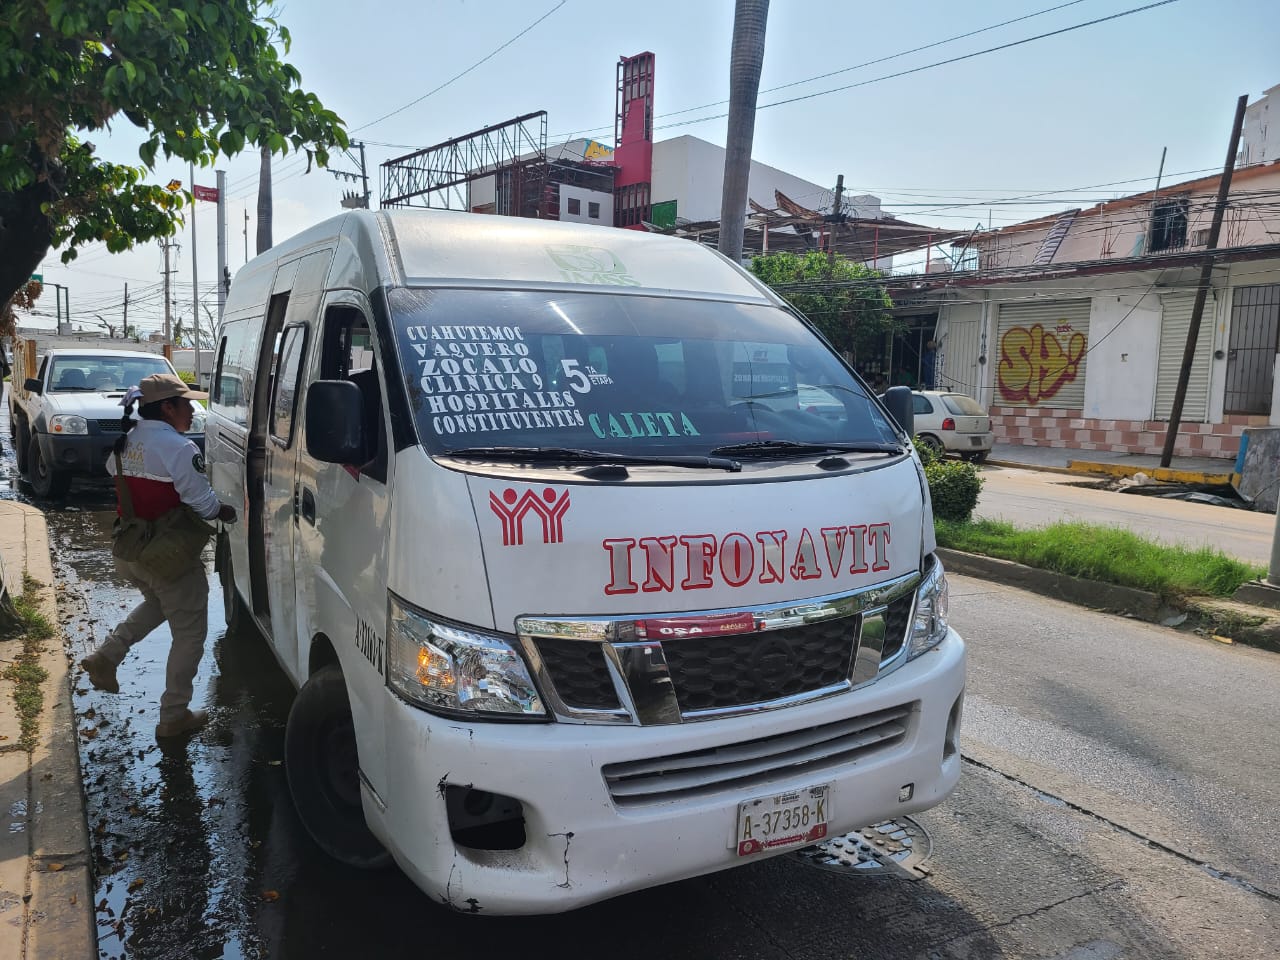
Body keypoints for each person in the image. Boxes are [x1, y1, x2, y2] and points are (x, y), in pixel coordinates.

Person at [80, 373, 237, 740]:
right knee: (189, 634)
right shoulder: (179, 448)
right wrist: (223, 511)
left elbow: (115, 475)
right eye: (186, 404)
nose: (192, 411)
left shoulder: (126, 441)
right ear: (168, 407)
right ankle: (173, 715)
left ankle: (108, 654)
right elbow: (201, 501)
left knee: (159, 604)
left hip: (131, 551)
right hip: (168, 557)